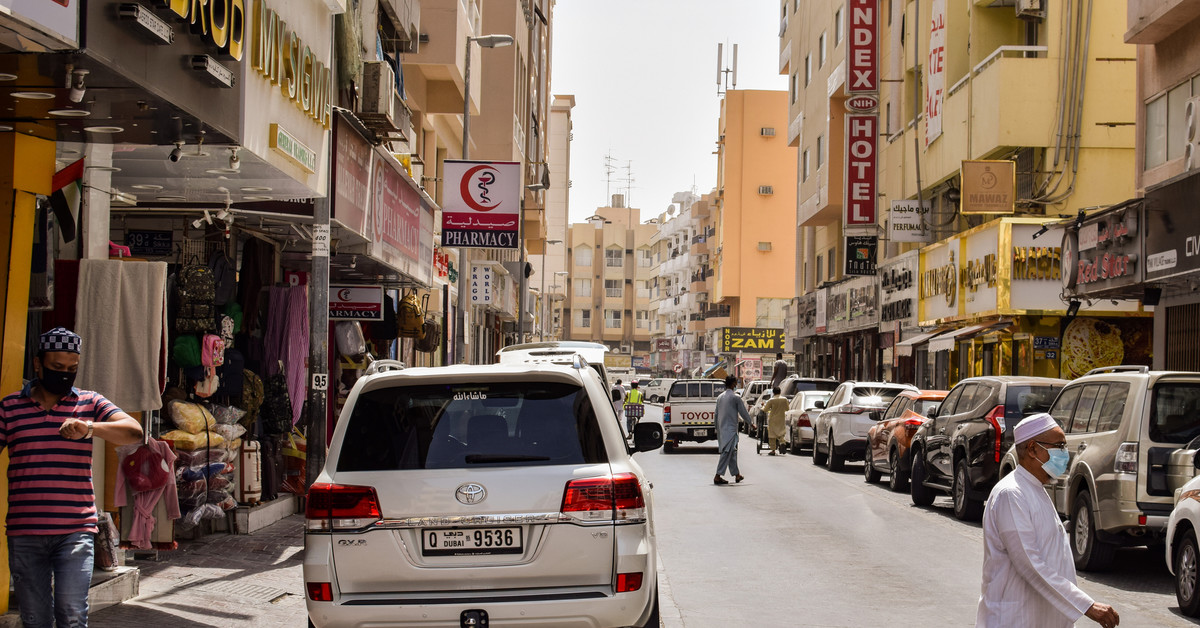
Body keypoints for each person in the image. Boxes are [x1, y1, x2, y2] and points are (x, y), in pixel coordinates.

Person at [0, 328, 144, 628]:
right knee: (34, 619)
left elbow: (134, 432)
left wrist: (90, 428)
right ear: (37, 365)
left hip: (75, 531)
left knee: (72, 612)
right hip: (25, 531)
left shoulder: (89, 403)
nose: (65, 375)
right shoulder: (10, 408)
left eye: (72, 369)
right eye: (56, 368)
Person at [976, 413, 1119, 628]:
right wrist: (1086, 606)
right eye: (1059, 446)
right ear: (1033, 449)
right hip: (1014, 619)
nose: (1064, 453)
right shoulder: (1011, 494)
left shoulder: (1035, 489)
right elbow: (1031, 565)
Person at [714, 375, 750, 485]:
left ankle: (737, 474)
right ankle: (717, 475)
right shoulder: (736, 397)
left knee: (732, 452)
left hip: (722, 428)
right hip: (731, 429)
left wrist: (717, 428)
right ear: (733, 384)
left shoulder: (720, 397)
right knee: (726, 452)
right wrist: (750, 423)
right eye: (735, 383)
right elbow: (743, 412)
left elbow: (716, 414)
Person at [762, 386, 789, 455]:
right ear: (780, 392)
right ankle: (782, 443)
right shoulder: (784, 399)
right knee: (781, 433)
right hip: (781, 418)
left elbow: (765, 410)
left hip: (773, 419)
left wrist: (762, 406)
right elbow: (787, 409)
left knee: (772, 435)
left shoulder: (771, 400)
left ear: (773, 392)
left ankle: (773, 450)